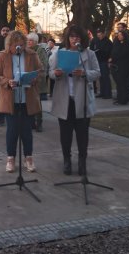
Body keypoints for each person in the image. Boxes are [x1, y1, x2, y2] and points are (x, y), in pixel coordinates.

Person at [49, 25, 100, 176]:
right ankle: (67, 161)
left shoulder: (89, 54)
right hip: (65, 99)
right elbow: (51, 72)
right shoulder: (60, 53)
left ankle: (82, 162)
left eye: (77, 37)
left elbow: (97, 72)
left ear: (82, 39)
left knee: (82, 134)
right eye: (71, 37)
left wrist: (84, 73)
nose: (74, 39)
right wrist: (56, 73)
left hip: (82, 99)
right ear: (67, 38)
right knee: (65, 135)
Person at [0, 30, 42, 173]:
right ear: (9, 45)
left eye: (21, 45)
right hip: (10, 98)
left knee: (27, 131)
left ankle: (29, 158)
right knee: (12, 130)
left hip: (27, 98)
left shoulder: (32, 55)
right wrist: (8, 82)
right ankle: (11, 159)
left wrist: (34, 79)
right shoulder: (2, 56)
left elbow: (40, 71)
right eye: (15, 46)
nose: (18, 48)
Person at [26, 32, 47, 131]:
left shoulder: (40, 50)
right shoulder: (25, 50)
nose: (28, 42)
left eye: (30, 40)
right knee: (29, 101)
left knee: (37, 101)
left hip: (37, 80)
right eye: (28, 40)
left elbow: (44, 65)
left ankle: (39, 122)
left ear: (35, 42)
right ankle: (31, 122)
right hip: (27, 79)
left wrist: (36, 76)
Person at [109, 30, 129, 105]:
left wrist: (113, 58)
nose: (119, 36)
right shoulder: (117, 43)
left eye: (121, 35)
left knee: (123, 84)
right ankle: (119, 98)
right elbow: (114, 52)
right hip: (117, 66)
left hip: (124, 66)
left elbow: (122, 54)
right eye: (118, 35)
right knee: (119, 84)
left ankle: (124, 99)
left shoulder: (127, 44)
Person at [90, 29, 113, 99]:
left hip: (104, 61)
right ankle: (102, 92)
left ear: (103, 34)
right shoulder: (97, 40)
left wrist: (101, 51)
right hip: (98, 60)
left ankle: (108, 94)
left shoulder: (108, 42)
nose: (99, 37)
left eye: (100, 35)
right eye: (98, 35)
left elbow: (109, 51)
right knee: (101, 78)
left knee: (105, 78)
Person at [116, 22, 129, 100]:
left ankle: (128, 94)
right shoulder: (117, 38)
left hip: (127, 63)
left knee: (127, 80)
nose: (118, 29)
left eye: (120, 27)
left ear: (124, 28)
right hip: (119, 63)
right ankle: (121, 94)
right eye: (118, 27)